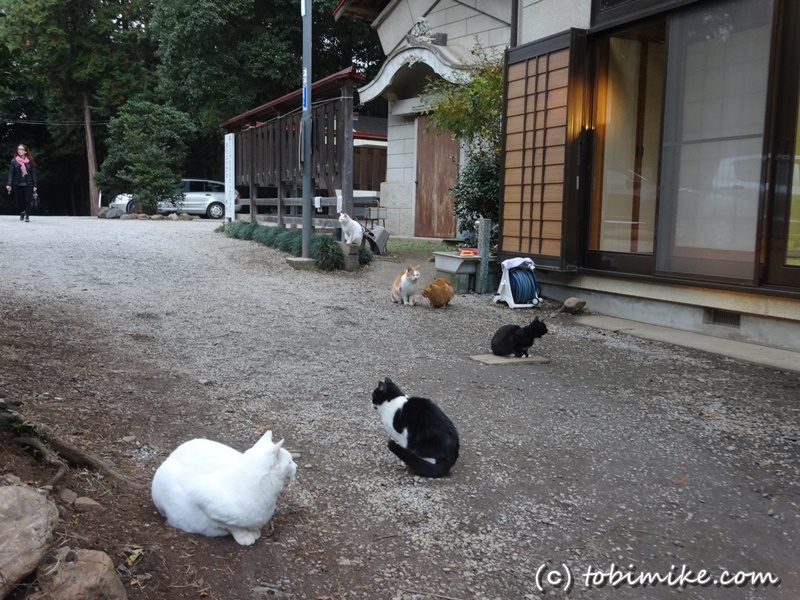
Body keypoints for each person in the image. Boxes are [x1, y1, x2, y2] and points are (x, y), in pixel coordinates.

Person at [6, 144, 38, 222]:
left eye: (21, 149)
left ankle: (27, 215)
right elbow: (11, 173)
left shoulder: (30, 161)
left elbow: (33, 173)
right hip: (17, 184)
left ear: (25, 151)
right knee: (19, 200)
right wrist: (9, 184)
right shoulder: (14, 161)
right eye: (18, 149)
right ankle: (22, 212)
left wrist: (35, 185)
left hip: (28, 184)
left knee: (27, 200)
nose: (19, 150)